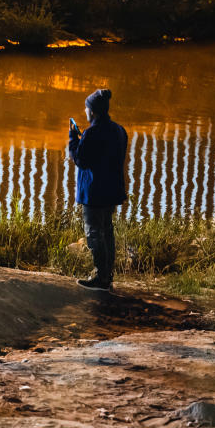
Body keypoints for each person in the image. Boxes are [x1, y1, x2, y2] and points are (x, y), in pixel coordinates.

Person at [67, 88, 128, 290]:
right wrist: (84, 139)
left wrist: (74, 139)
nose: (85, 111)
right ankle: (107, 275)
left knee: (94, 234)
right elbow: (108, 155)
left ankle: (101, 278)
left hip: (94, 193)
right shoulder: (119, 130)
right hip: (111, 192)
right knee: (107, 232)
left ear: (93, 111)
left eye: (87, 108)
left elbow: (81, 160)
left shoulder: (92, 133)